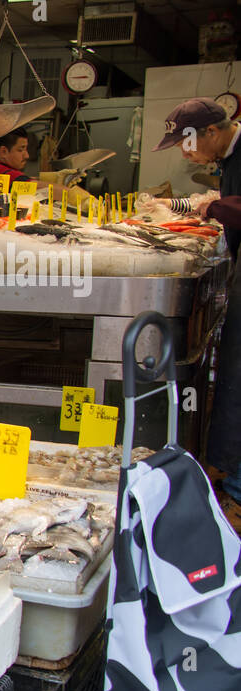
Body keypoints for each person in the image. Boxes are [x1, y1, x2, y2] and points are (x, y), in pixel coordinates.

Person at [150, 98, 241, 527]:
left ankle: (234, 488)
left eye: (187, 143)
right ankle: (229, 474)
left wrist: (213, 208)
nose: (185, 153)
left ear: (211, 132)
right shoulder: (229, 157)